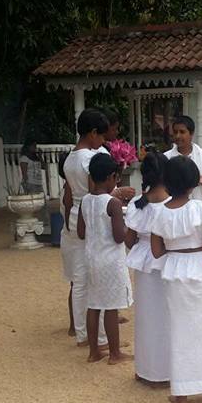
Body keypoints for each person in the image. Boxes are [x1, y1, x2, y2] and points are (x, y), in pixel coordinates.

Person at [151, 155, 202, 403]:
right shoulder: (201, 209)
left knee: (179, 330)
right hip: (200, 268)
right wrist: (201, 247)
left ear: (167, 182)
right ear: (194, 183)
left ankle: (181, 394)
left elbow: (156, 251)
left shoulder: (160, 213)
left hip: (174, 269)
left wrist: (176, 248)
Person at [77, 153, 133, 365]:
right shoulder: (113, 203)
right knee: (111, 307)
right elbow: (119, 236)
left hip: (91, 258)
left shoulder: (85, 201)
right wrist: (130, 228)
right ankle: (114, 353)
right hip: (110, 260)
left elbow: (81, 232)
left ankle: (94, 352)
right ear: (111, 177)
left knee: (93, 305)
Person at [63, 109, 110, 346]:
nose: (102, 141)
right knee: (94, 279)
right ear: (92, 133)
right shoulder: (89, 159)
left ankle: (82, 333)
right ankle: (99, 337)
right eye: (101, 136)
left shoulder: (70, 158)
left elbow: (68, 195)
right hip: (90, 216)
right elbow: (96, 192)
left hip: (75, 216)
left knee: (80, 279)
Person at [125, 152, 171, 385]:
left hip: (143, 264)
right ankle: (166, 371)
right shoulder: (172, 205)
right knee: (167, 317)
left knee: (145, 317)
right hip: (166, 261)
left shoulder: (137, 204)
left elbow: (129, 240)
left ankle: (145, 370)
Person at [164, 115, 202, 204]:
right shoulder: (166, 158)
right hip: (175, 209)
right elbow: (161, 187)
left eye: (182, 132)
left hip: (200, 209)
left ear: (191, 133)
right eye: (175, 132)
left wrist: (201, 180)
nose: (178, 136)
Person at [58, 151, 75, 336]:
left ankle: (75, 324)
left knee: (75, 283)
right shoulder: (69, 191)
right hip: (71, 239)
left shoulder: (67, 188)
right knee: (76, 284)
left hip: (68, 238)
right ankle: (73, 325)